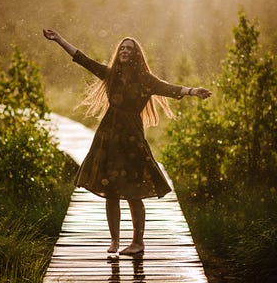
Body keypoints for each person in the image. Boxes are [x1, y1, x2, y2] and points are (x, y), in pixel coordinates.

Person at [43, 29, 212, 255]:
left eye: (129, 49)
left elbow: (169, 88)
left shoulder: (145, 80)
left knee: (133, 193)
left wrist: (193, 91)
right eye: (122, 48)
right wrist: (60, 39)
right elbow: (82, 59)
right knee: (110, 191)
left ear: (136, 55)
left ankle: (138, 242)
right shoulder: (111, 74)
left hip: (132, 140)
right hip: (108, 138)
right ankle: (114, 241)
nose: (124, 51)